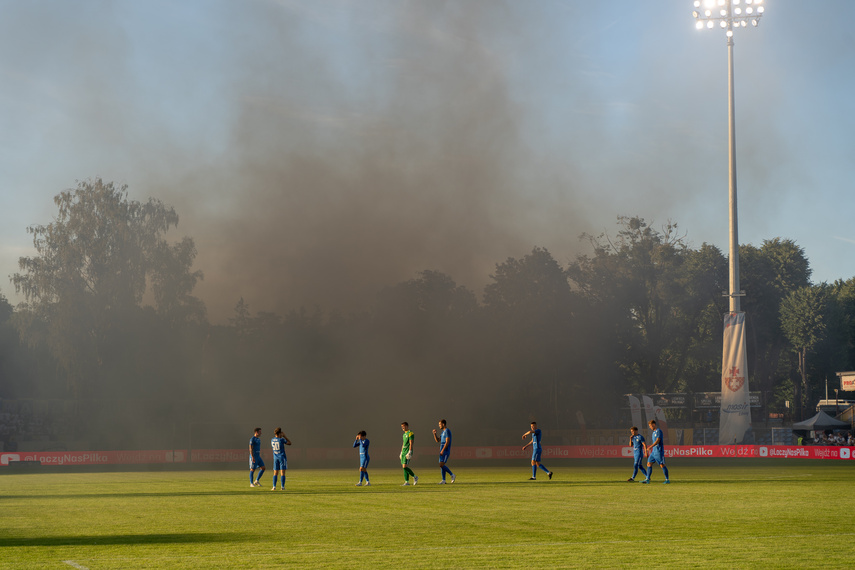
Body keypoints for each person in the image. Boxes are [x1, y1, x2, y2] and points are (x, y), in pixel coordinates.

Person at [643, 420, 670, 484]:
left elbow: (658, 440)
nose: (650, 427)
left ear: (654, 424)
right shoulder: (653, 432)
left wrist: (650, 447)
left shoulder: (659, 431)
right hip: (653, 452)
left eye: (650, 425)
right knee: (649, 463)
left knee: (662, 465)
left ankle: (667, 479)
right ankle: (647, 479)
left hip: (659, 451)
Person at [432, 419, 455, 484]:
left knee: (441, 464)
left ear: (443, 424)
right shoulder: (443, 432)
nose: (439, 426)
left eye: (440, 424)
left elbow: (447, 442)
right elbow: (437, 440)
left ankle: (452, 475)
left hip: (445, 450)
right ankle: (443, 480)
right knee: (441, 465)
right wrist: (434, 434)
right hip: (442, 450)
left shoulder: (447, 431)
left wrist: (442, 450)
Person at [400, 422, 418, 486]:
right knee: (404, 467)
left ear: (407, 426)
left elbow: (411, 443)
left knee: (405, 466)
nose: (402, 427)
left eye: (404, 426)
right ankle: (407, 481)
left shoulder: (410, 433)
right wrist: (401, 452)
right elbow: (403, 443)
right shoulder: (404, 434)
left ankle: (415, 477)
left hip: (407, 451)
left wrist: (410, 451)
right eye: (402, 426)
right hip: (403, 452)